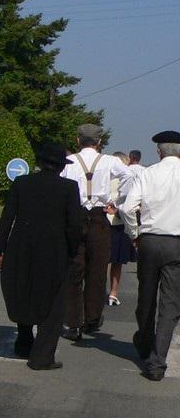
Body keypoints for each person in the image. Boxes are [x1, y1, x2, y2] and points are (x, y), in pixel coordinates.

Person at [0, 142, 83, 370]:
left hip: (21, 246)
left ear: (39, 162)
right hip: (54, 250)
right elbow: (74, 225)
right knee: (54, 301)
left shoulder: (22, 183)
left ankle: (24, 342)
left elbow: (7, 217)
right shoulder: (68, 188)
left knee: (24, 289)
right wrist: (72, 251)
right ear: (61, 166)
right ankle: (42, 356)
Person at [60, 123, 133, 340]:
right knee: (98, 269)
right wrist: (117, 201)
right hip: (100, 217)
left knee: (74, 271)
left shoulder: (70, 161)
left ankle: (73, 322)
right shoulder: (109, 161)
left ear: (78, 140)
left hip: (76, 216)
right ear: (99, 142)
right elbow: (130, 176)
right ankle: (92, 319)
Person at [118, 130, 180, 381]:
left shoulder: (147, 173)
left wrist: (135, 233)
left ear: (159, 151)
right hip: (176, 242)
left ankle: (144, 340)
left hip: (150, 240)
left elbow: (127, 208)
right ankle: (157, 360)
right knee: (170, 304)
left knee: (146, 296)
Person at [108, 150, 144, 306]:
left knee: (100, 261)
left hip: (104, 221)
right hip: (120, 222)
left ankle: (95, 291)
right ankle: (113, 293)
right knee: (117, 262)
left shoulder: (105, 178)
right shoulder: (131, 178)